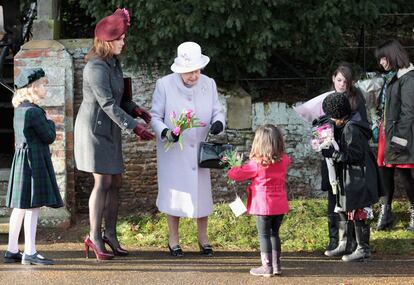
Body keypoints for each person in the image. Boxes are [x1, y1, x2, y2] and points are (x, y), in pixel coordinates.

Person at [74, 8, 154, 261]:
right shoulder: (96, 67)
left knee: (116, 181)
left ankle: (110, 234)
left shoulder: (113, 63)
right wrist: (135, 127)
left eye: (122, 37)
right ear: (107, 41)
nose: (123, 42)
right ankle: (94, 237)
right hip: (95, 130)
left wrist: (137, 109)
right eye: (119, 38)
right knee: (103, 182)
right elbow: (107, 104)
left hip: (110, 127)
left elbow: (120, 99)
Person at [150, 41, 225, 257]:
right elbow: (155, 116)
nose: (193, 76)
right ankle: (173, 239)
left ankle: (203, 238)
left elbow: (216, 110)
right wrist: (165, 132)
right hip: (174, 150)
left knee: (202, 194)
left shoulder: (208, 83)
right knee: (175, 194)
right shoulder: (164, 85)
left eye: (196, 71)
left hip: (200, 149)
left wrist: (218, 122)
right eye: (189, 72)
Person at [3, 68, 63, 265]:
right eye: (43, 84)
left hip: (22, 158)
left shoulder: (20, 109)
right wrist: (50, 122)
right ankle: (29, 251)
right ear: (34, 87)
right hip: (33, 159)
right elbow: (49, 137)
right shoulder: (35, 112)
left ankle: (12, 250)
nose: (46, 87)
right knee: (32, 206)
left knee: (20, 207)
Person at [321, 93, 380, 262]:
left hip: (359, 177)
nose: (331, 120)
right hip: (351, 176)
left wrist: (334, 154)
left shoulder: (352, 128)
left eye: (333, 117)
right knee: (344, 208)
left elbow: (354, 155)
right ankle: (346, 243)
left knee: (359, 211)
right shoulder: (347, 125)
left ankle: (363, 248)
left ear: (340, 116)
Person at [227, 124, 290, 277]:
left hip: (263, 205)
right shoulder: (285, 160)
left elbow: (236, 175)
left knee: (264, 235)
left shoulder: (256, 164)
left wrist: (232, 167)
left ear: (258, 143)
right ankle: (276, 266)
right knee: (274, 234)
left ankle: (266, 267)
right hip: (279, 204)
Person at [374, 39, 414, 231]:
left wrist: (399, 139)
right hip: (387, 133)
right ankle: (386, 211)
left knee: (405, 173)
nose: (381, 62)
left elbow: (409, 113)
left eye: (383, 58)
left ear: (392, 55)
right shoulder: (393, 77)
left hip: (401, 135)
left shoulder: (408, 78)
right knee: (384, 171)